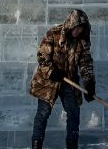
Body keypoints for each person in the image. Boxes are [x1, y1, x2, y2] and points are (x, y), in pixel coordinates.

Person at [29, 9, 96, 149]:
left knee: (73, 113)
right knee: (43, 113)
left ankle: (72, 145)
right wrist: (53, 71)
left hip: (69, 81)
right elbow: (42, 56)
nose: (78, 31)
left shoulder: (82, 41)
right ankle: (36, 145)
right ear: (71, 24)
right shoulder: (53, 33)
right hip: (48, 81)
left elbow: (86, 63)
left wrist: (89, 83)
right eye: (77, 28)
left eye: (81, 29)